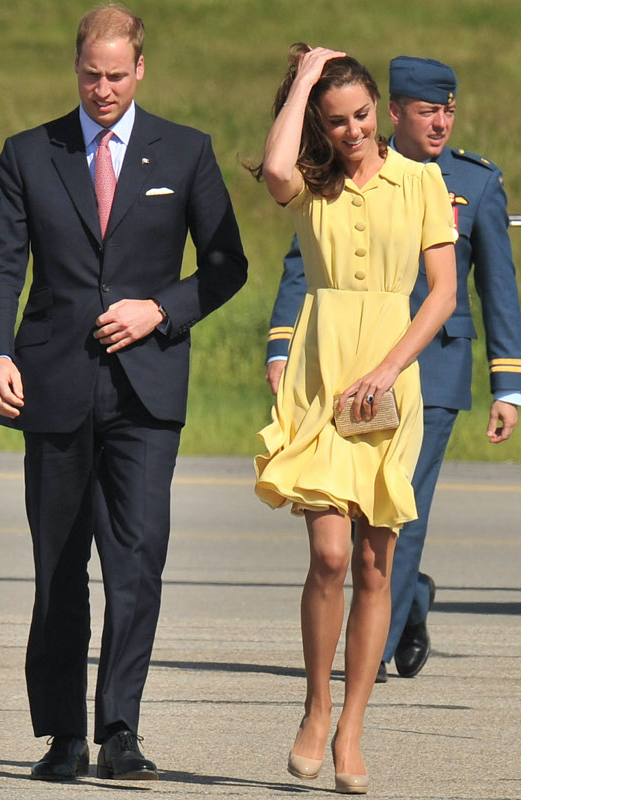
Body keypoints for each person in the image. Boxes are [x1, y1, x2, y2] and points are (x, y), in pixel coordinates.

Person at [0, 3, 247, 782]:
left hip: (146, 393)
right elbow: (0, 265)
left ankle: (120, 728)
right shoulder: (30, 153)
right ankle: (62, 734)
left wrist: (161, 308)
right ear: (76, 68)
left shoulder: (185, 152)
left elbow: (227, 267)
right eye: (92, 74)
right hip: (52, 386)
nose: (103, 88)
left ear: (140, 70)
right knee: (58, 564)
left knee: (135, 562)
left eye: (117, 75)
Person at [265, 56, 521, 683]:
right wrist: (281, 346)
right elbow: (302, 263)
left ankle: (370, 655)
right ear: (399, 110)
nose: (442, 121)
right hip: (329, 367)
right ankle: (396, 615)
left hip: (426, 373)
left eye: (449, 110)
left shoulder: (467, 183)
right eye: (429, 109)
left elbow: (493, 287)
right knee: (337, 543)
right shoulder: (323, 182)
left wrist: (508, 382)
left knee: (395, 527)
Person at [250, 44, 456, 793]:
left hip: (390, 376)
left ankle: (353, 728)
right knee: (330, 555)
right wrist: (305, 79)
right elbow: (274, 170)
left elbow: (440, 295)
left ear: (380, 109)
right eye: (335, 121)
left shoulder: (423, 182)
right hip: (321, 373)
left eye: (363, 114)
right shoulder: (312, 184)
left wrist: (389, 370)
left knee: (376, 563)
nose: (354, 130)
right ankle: (314, 706)